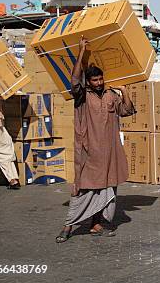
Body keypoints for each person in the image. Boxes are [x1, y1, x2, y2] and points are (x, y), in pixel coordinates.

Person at [56, 37, 135, 243]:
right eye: (95, 81)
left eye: (101, 79)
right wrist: (81, 51)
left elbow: (126, 111)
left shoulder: (110, 94)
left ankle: (95, 224)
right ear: (88, 82)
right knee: (84, 190)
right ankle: (67, 227)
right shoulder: (81, 96)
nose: (99, 83)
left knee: (106, 187)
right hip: (89, 153)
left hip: (109, 154)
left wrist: (124, 91)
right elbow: (74, 80)